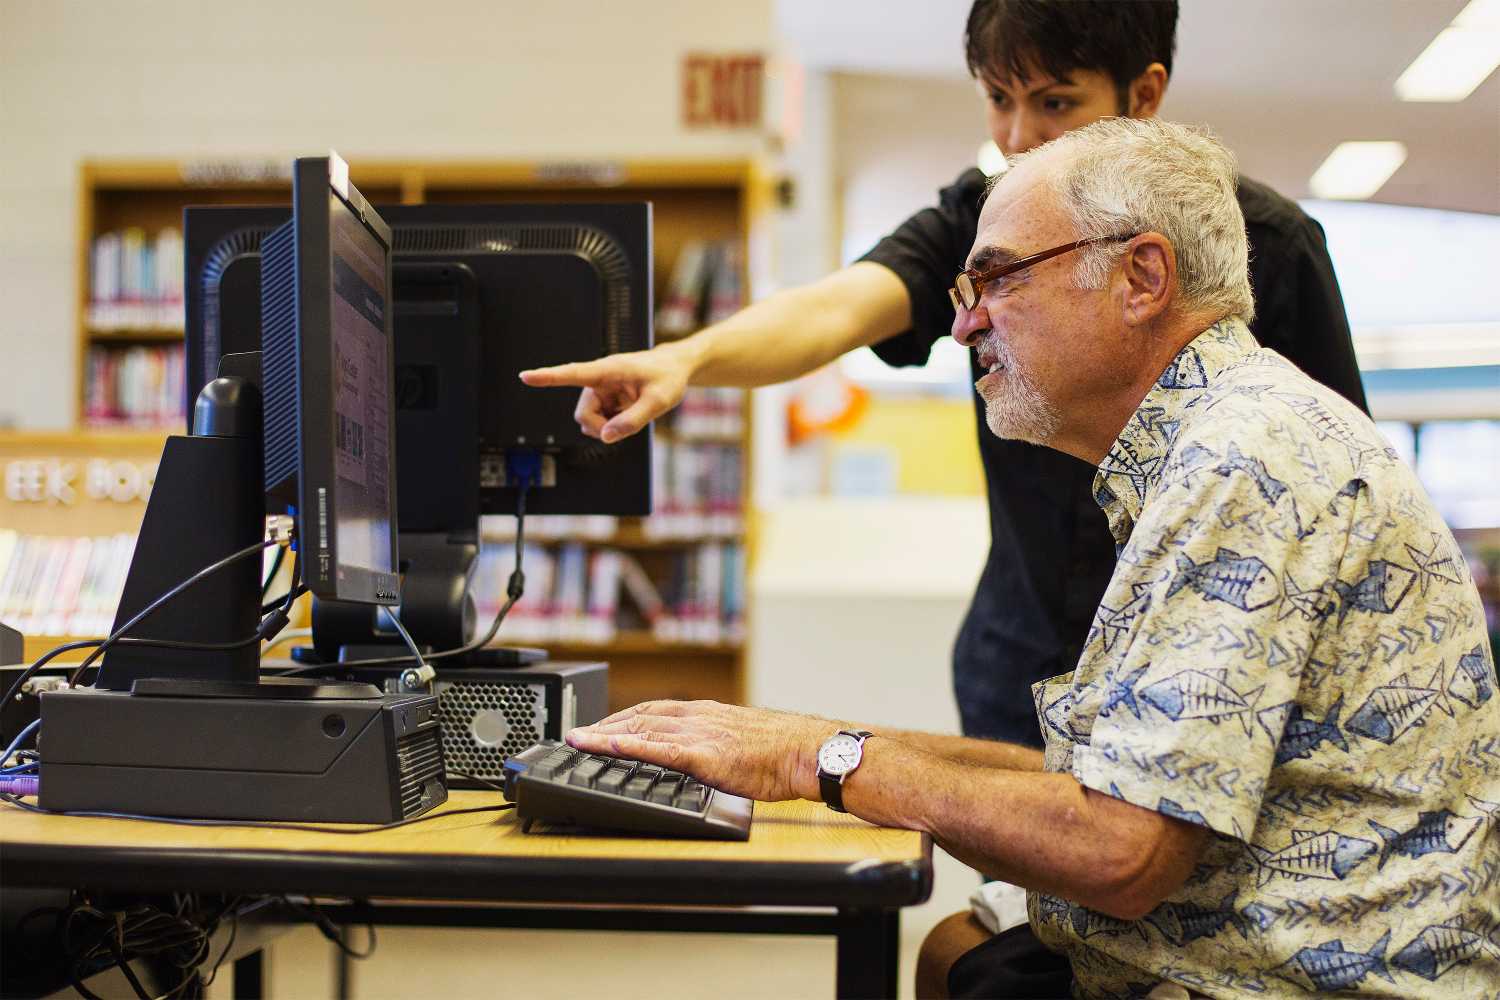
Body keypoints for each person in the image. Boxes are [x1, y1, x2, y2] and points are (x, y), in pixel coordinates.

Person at [566, 119, 1500, 998]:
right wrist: (790, 740)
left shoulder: (1246, 460)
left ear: (1141, 278)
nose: (966, 326)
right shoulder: (1214, 442)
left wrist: (819, 758)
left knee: (957, 957)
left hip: (1288, 978)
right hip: (1256, 942)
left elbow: (1120, 854)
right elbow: (1100, 784)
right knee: (952, 951)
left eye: (999, 278)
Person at [521, 0, 1367, 753]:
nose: (1020, 136)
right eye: (1000, 99)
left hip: (1206, 674)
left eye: (1056, 102)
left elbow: (1338, 484)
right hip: (1023, 668)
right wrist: (687, 358)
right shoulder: (981, 217)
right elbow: (837, 308)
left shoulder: (1268, 248)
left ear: (1142, 95)